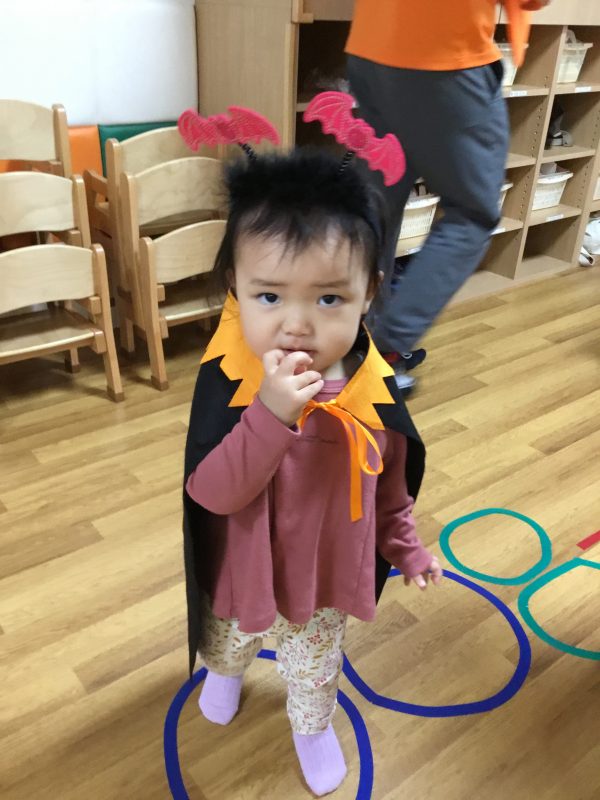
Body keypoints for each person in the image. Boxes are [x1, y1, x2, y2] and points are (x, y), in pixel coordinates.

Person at [183, 148, 442, 796]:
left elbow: (390, 492)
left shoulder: (372, 394)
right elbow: (212, 492)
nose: (296, 326)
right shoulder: (229, 379)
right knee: (228, 639)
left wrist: (406, 548)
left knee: (315, 667)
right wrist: (270, 414)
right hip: (243, 565)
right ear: (235, 288)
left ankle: (311, 727)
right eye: (269, 295)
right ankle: (226, 674)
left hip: (323, 577)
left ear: (368, 292)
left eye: (329, 297)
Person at [346, 0, 552, 392]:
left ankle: (348, 343)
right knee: (472, 215)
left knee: (374, 209)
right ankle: (386, 349)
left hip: (371, 48)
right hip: (445, 54)